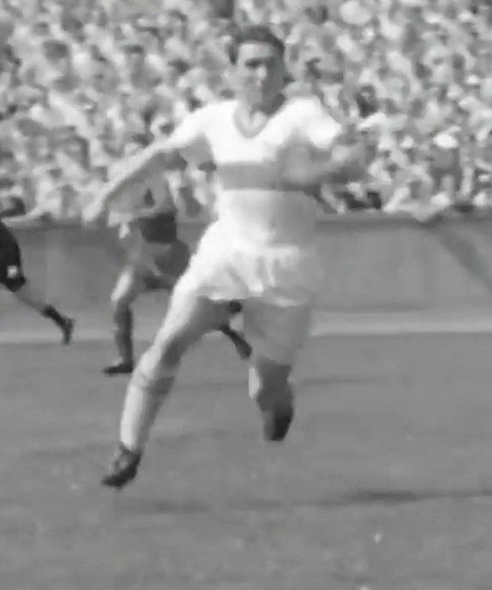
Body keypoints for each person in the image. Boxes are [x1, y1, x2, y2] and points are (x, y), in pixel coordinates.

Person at [83, 27, 371, 488]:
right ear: (232, 71)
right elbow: (160, 155)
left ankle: (278, 406)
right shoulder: (212, 120)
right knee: (168, 344)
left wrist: (321, 170)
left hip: (285, 265)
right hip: (225, 254)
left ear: (283, 69)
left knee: (265, 385)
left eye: (270, 63)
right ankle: (128, 449)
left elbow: (353, 157)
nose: (261, 73)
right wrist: (104, 195)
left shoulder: (302, 115)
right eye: (251, 64)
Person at [102, 138, 252, 376]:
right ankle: (125, 358)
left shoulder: (162, 180)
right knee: (119, 301)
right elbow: (118, 221)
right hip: (142, 257)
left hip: (169, 255)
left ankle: (235, 335)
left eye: (138, 152)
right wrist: (123, 218)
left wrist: (134, 213)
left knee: (196, 307)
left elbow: (170, 208)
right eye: (130, 153)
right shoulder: (127, 187)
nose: (135, 158)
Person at [0, 215, 75, 344]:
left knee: (22, 291)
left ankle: (62, 321)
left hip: (7, 257)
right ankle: (62, 321)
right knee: (22, 292)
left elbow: (8, 243)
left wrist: (11, 264)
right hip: (7, 256)